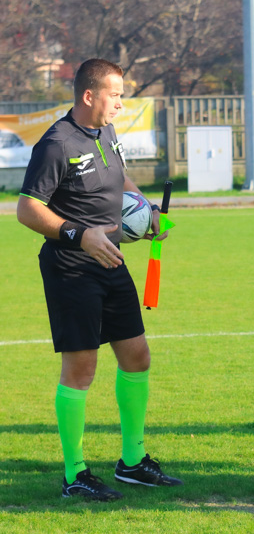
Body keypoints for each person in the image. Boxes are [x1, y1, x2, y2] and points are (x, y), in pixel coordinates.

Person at [17, 58, 182, 501]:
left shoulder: (105, 132)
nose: (121, 103)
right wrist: (80, 234)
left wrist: (145, 212)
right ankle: (75, 473)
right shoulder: (56, 143)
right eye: (115, 94)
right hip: (71, 268)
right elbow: (28, 209)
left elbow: (120, 178)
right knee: (81, 368)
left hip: (111, 264)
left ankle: (132, 462)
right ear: (89, 95)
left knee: (137, 357)